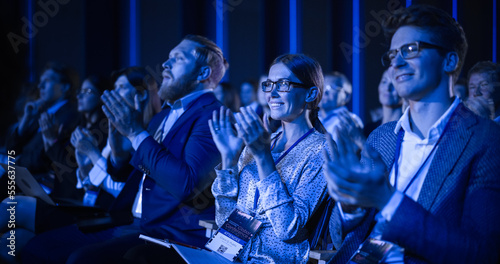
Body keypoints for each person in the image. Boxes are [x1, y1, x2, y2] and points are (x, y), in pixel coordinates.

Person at [21, 35, 227, 264]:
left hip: (169, 235)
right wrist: (119, 158)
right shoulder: (163, 116)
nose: (165, 65)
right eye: (168, 58)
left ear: (203, 74)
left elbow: (186, 184)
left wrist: (136, 134)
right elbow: (139, 177)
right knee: (36, 247)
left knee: (80, 260)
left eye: (177, 59)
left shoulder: (213, 116)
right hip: (130, 221)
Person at [324, 5, 500, 264]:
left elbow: (479, 255)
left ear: (449, 60)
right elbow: (340, 236)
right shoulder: (381, 137)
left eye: (410, 50)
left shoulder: (486, 140)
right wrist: (350, 205)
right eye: (393, 54)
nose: (396, 62)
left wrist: (387, 199)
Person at [210, 54, 329, 263]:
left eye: (283, 84)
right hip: (229, 256)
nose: (271, 93)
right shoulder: (261, 142)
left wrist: (264, 158)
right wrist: (228, 158)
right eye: (269, 84)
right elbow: (224, 222)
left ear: (310, 93)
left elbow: (288, 230)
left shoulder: (322, 150)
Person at [5, 62, 81, 190]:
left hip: (41, 184)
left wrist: (14, 163)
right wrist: (26, 119)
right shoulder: (41, 112)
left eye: (47, 80)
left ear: (65, 87)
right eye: (40, 81)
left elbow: (45, 158)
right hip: (24, 177)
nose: (40, 86)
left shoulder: (70, 115)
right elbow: (11, 149)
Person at [319, 72, 363, 146]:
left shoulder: (350, 121)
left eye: (332, 87)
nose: (325, 92)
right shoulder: (311, 118)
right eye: (323, 86)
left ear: (346, 96)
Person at [365, 70, 403, 136]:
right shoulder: (369, 129)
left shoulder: (407, 129)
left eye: (394, 84)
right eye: (384, 82)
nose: (387, 88)